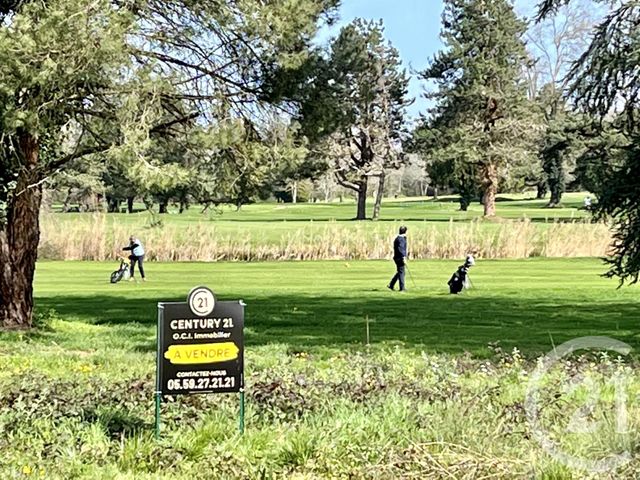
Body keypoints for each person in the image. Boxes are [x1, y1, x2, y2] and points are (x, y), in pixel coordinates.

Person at [388, 226, 408, 292]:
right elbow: (401, 249)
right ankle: (402, 288)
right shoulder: (401, 239)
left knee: (400, 271)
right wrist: (404, 257)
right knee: (402, 272)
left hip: (397, 257)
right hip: (399, 258)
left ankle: (391, 284)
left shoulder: (398, 238)